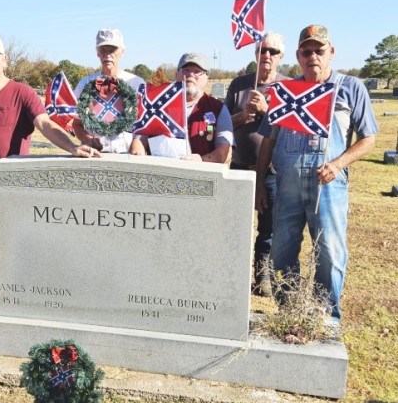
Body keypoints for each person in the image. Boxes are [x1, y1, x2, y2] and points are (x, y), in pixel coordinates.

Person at [255, 24, 378, 329]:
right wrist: (259, 182)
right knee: (282, 251)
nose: (313, 56)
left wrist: (338, 164)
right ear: (298, 56)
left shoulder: (350, 88)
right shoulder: (284, 92)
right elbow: (268, 140)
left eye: (319, 50)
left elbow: (369, 138)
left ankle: (325, 320)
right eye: (306, 51)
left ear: (331, 52)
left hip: (329, 184)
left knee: (330, 253)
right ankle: (290, 313)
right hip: (287, 185)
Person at [0, 34, 99, 166]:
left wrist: (72, 147)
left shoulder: (23, 92)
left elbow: (45, 124)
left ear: (4, 60)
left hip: (14, 175)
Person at [225, 32, 290, 297]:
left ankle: (262, 275)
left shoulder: (288, 87)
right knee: (236, 224)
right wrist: (243, 116)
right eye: (262, 50)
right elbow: (222, 124)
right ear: (255, 54)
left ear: (281, 56)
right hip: (240, 166)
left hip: (272, 170)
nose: (267, 55)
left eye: (273, 51)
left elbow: (290, 130)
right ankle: (234, 274)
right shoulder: (240, 84)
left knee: (268, 227)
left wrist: (265, 111)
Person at [129, 53, 234, 163]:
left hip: (199, 172)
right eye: (186, 70)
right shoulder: (155, 103)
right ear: (177, 74)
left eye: (197, 71)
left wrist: (201, 160)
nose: (191, 75)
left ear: (207, 77)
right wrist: (138, 155)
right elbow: (139, 140)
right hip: (160, 170)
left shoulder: (218, 109)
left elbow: (225, 152)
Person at [72, 28, 145, 153]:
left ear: (122, 52)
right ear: (97, 53)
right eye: (103, 50)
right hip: (94, 153)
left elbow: (146, 124)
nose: (108, 54)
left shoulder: (137, 83)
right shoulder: (84, 84)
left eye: (112, 50)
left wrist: (138, 142)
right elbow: (77, 124)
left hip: (127, 152)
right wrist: (87, 139)